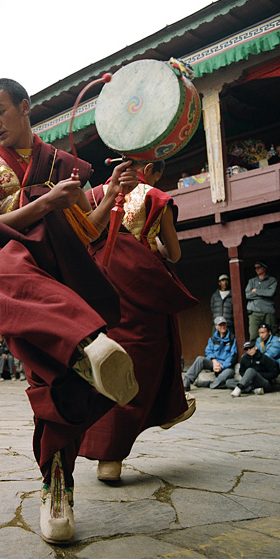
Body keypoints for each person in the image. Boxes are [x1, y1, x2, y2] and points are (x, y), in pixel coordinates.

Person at [0, 78, 139, 544]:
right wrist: (45, 201)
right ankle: (85, 344)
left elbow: (85, 235)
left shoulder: (65, 165)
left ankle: (59, 491)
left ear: (25, 107)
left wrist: (108, 195)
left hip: (61, 279)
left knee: (59, 387)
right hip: (16, 282)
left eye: (0, 112)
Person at [79, 160, 198, 482]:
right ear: (150, 168)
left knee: (105, 364)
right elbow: (172, 254)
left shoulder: (94, 196)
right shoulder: (157, 199)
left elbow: (84, 234)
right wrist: (152, 243)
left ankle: (103, 449)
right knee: (142, 365)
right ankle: (113, 455)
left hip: (100, 286)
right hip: (143, 284)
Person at [183, 316, 238, 390]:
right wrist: (214, 361)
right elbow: (208, 351)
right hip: (214, 364)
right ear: (216, 327)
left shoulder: (232, 338)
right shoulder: (213, 339)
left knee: (224, 376)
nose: (223, 327)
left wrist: (222, 367)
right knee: (200, 359)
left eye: (224, 324)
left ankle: (208, 384)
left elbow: (233, 356)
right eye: (220, 325)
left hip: (226, 367)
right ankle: (187, 381)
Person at [245, 261, 278, 339]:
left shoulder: (272, 280)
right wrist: (263, 294)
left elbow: (270, 293)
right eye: (255, 268)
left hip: (268, 310)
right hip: (254, 311)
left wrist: (256, 291)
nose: (256, 269)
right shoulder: (252, 281)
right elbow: (247, 295)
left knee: (271, 334)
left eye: (259, 267)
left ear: (264, 268)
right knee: (253, 335)